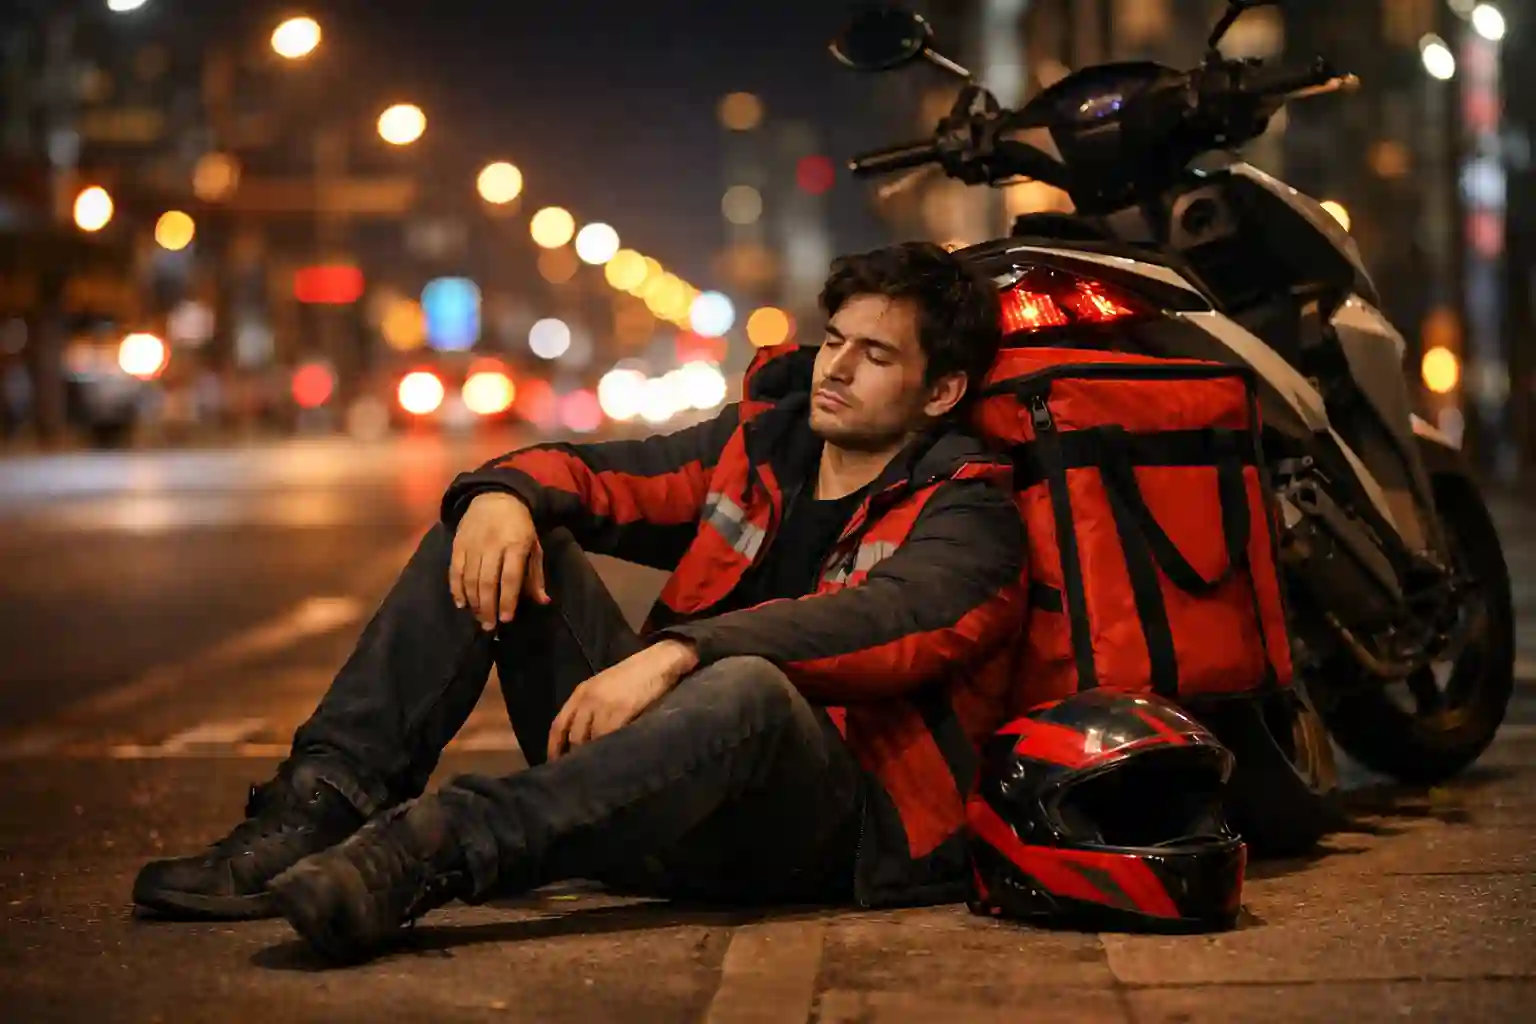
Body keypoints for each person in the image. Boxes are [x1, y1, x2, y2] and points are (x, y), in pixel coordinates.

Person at [132, 241, 1028, 962]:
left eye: (875, 356)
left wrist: (680, 652)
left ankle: (426, 852)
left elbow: (886, 623)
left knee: (750, 684)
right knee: (491, 535)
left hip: (813, 831)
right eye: (835, 339)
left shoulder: (970, 508)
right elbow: (599, 474)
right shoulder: (764, 447)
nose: (836, 367)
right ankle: (314, 811)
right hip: (645, 788)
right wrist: (499, 495)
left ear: (940, 391)